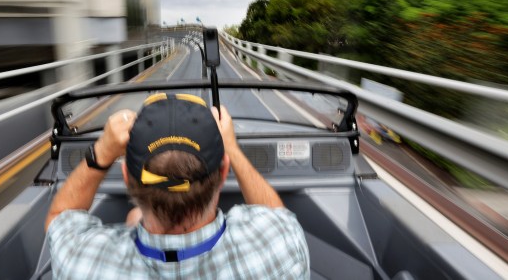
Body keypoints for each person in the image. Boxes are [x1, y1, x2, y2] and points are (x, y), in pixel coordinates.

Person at [45, 93, 310, 279]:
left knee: (134, 217)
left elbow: (60, 218)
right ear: (224, 170)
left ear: (127, 176)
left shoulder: (79, 263)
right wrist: (232, 149)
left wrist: (102, 151)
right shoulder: (281, 248)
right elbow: (278, 217)